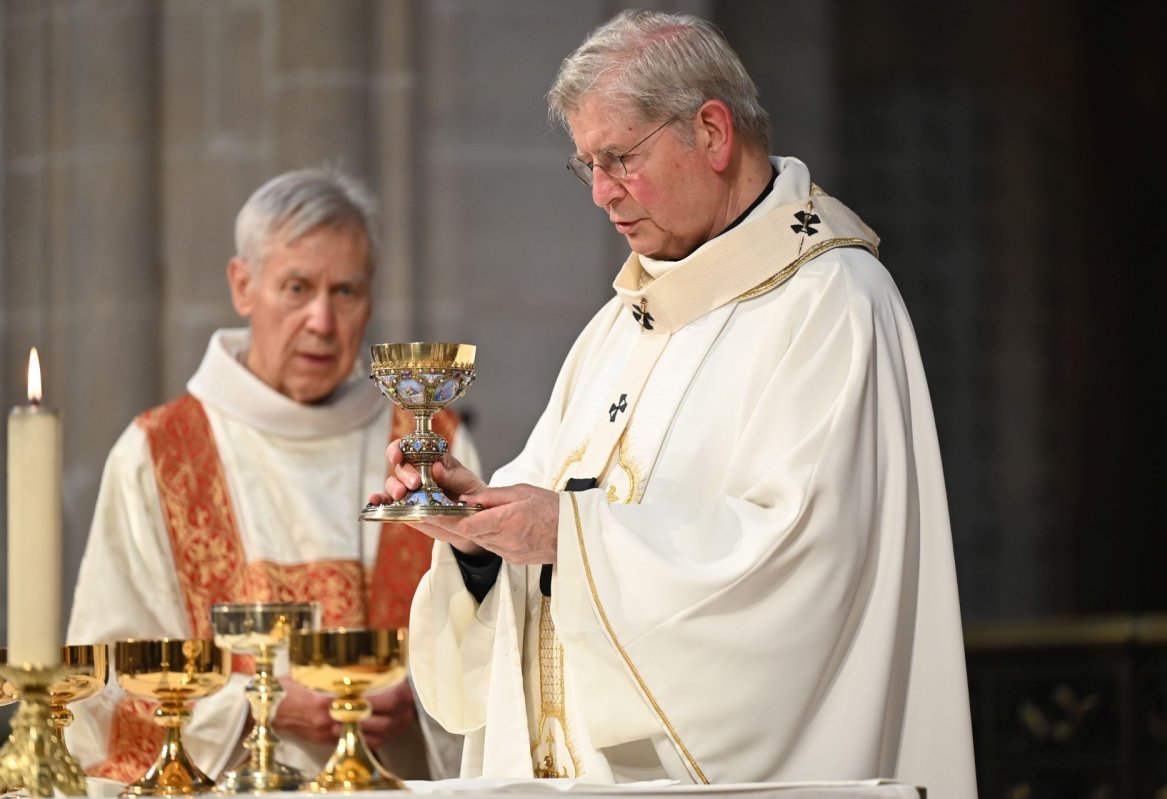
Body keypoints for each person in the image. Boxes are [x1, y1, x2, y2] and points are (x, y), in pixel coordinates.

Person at [373, 9, 978, 798]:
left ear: (714, 133)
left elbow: (800, 572)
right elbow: (543, 518)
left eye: (619, 158)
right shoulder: (620, 327)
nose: (599, 193)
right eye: (584, 165)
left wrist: (572, 536)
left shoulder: (833, 305)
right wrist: (479, 543)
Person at [67, 168, 479, 784]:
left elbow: (494, 635)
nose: (321, 320)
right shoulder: (158, 454)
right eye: (296, 287)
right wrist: (261, 705)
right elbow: (106, 681)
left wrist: (422, 698)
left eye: (346, 292)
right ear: (243, 285)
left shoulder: (428, 445)